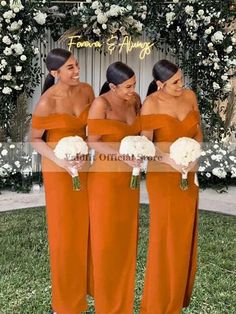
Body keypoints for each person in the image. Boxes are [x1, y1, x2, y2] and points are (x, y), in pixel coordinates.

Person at [30, 48, 95, 314]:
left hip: (85, 166)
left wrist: (89, 150)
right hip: (59, 170)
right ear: (54, 73)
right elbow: (35, 140)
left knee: (89, 230)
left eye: (76, 65)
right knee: (65, 235)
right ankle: (66, 304)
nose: (76, 70)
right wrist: (62, 161)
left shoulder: (87, 91)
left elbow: (91, 128)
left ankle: (90, 290)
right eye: (69, 68)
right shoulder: (47, 102)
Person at [140, 59, 203, 314]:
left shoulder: (190, 96)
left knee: (183, 235)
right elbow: (147, 145)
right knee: (164, 237)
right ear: (159, 84)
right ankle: (158, 303)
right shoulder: (151, 104)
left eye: (181, 78)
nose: (181, 84)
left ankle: (177, 299)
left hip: (189, 174)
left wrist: (194, 157)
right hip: (163, 176)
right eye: (175, 82)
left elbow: (197, 132)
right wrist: (170, 161)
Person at [87, 61, 141, 314]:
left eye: (134, 84)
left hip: (129, 181)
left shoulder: (135, 100)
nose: (132, 90)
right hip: (105, 180)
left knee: (126, 239)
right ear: (112, 86)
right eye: (127, 86)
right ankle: (105, 298)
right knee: (106, 241)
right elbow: (93, 142)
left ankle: (124, 292)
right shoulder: (101, 104)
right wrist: (123, 156)